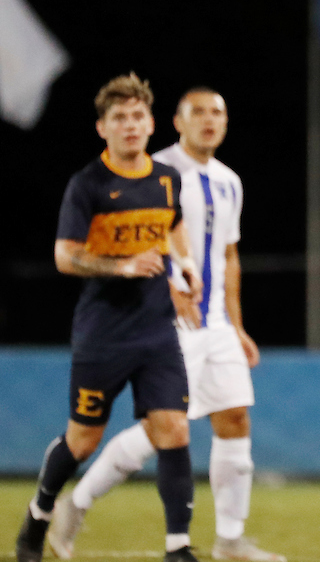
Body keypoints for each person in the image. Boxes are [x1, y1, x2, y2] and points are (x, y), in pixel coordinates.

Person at [48, 88, 285, 562]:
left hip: (214, 320)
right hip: (166, 319)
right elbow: (147, 239)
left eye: (217, 112)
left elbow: (229, 255)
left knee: (235, 415)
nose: (208, 120)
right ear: (175, 121)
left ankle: (230, 540)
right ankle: (75, 504)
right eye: (197, 112)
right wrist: (170, 286)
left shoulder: (228, 181)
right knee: (160, 432)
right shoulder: (154, 170)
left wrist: (236, 327)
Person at [15, 73, 202, 562]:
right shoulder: (88, 185)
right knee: (83, 439)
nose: (130, 125)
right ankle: (38, 516)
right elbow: (64, 255)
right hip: (103, 333)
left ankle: (178, 546)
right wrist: (121, 266)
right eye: (119, 118)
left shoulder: (166, 177)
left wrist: (185, 266)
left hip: (157, 329)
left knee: (174, 429)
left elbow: (173, 223)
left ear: (151, 123)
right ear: (103, 128)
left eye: (138, 116)